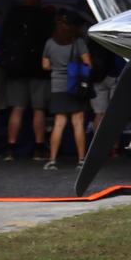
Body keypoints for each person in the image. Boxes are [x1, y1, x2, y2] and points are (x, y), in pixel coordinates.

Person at [0, 0, 53, 160]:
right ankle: (38, 148)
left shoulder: (13, 16)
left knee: (17, 109)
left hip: (16, 71)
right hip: (38, 70)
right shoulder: (43, 16)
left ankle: (11, 148)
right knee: (39, 109)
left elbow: (3, 41)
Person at [41, 14, 91, 171]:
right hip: (74, 86)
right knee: (78, 123)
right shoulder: (79, 42)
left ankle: (52, 160)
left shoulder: (50, 43)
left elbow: (45, 66)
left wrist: (58, 68)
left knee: (59, 123)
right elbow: (88, 64)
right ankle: (81, 160)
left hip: (57, 86)